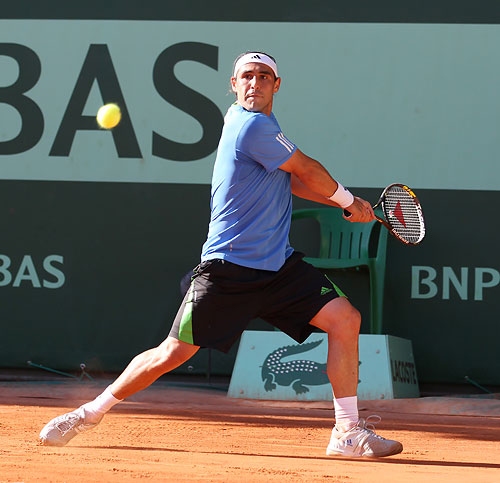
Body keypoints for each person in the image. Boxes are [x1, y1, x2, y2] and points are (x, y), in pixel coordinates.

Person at [39, 51, 403, 458]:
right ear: (234, 84)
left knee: (345, 318)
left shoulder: (256, 125)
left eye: (263, 76)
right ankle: (88, 413)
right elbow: (306, 169)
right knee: (171, 353)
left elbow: (290, 181)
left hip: (278, 265)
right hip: (229, 267)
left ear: (276, 85)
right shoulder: (251, 125)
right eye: (246, 76)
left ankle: (347, 432)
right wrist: (349, 200)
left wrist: (345, 206)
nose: (254, 83)